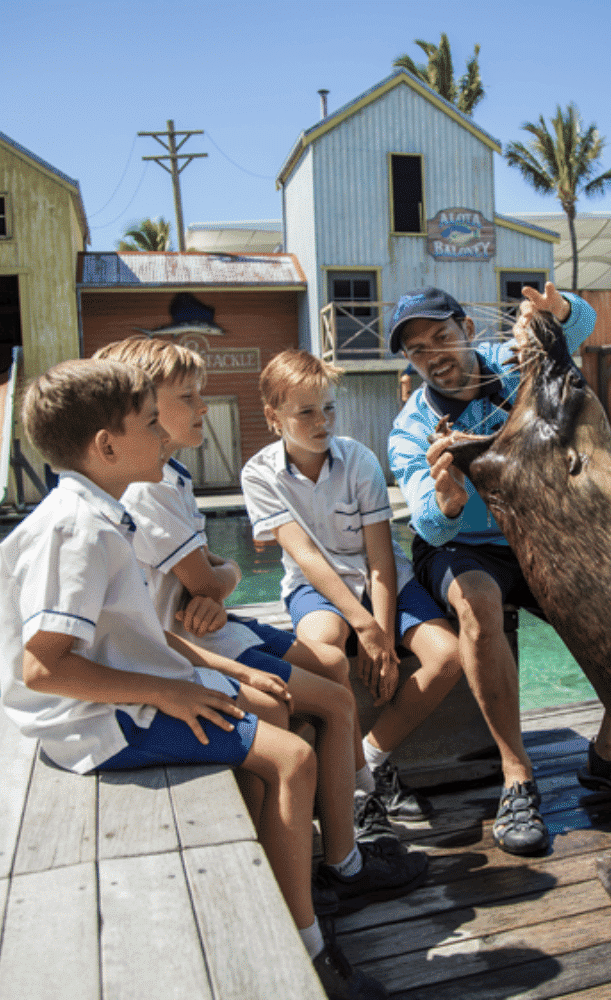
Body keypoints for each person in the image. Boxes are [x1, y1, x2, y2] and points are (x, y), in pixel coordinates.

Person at [0, 358, 385, 999]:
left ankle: (283, 894)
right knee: (290, 761)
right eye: (152, 422)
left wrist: (211, 670)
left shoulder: (99, 512)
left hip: (130, 692)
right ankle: (308, 951)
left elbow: (134, 634)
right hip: (98, 722)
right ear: (107, 445)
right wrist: (171, 690)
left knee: (278, 736)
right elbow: (43, 666)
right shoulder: (78, 528)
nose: (164, 434)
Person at [93, 337, 428, 901]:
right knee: (333, 699)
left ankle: (347, 812)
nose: (205, 408)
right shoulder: (151, 491)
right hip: (197, 644)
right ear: (142, 413)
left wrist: (218, 579)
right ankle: (344, 860)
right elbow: (211, 580)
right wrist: (219, 579)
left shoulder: (170, 477)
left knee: (328, 664)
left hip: (213, 629)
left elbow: (217, 578)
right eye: (189, 398)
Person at [387, 284, 611, 857]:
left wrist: (557, 311)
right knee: (479, 602)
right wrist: (449, 497)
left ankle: (609, 754)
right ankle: (516, 775)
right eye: (417, 350)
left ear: (464, 326)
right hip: (462, 545)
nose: (434, 354)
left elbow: (577, 326)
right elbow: (430, 527)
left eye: (440, 336)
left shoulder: (512, 365)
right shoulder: (409, 429)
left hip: (534, 532)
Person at [240, 349, 464, 821]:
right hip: (314, 587)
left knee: (448, 657)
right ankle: (356, 787)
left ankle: (372, 757)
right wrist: (364, 628)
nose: (322, 422)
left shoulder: (358, 459)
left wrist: (381, 633)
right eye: (306, 412)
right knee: (322, 651)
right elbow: (307, 557)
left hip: (385, 583)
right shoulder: (258, 473)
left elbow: (381, 559)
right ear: (273, 417)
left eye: (329, 408)